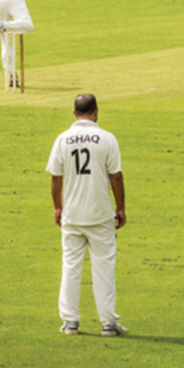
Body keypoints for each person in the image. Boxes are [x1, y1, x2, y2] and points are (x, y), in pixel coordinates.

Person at [45, 92, 127, 337]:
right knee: (104, 267)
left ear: (74, 113)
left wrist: (58, 207)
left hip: (72, 214)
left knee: (70, 267)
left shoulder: (62, 139)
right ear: (96, 111)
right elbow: (116, 176)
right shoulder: (107, 138)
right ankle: (108, 323)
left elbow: (55, 177)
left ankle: (70, 322)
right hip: (100, 214)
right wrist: (120, 207)